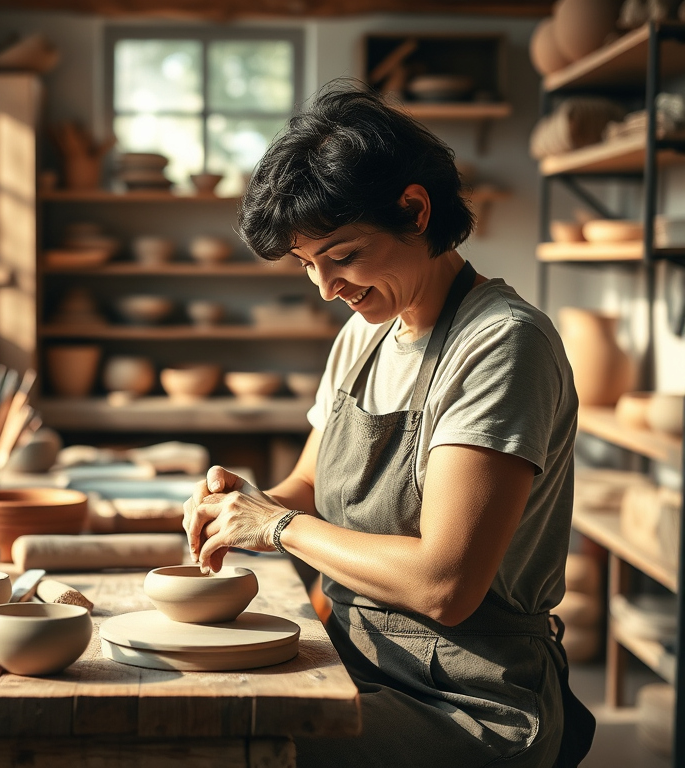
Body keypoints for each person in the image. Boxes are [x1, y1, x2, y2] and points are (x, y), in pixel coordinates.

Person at [182, 80, 595, 768]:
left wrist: (277, 528)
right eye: (309, 265)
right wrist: (245, 505)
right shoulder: (366, 335)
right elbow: (306, 486)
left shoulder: (501, 344)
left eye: (341, 255)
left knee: (239, 747)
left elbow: (446, 584)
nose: (326, 288)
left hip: (468, 701)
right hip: (361, 660)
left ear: (413, 209)